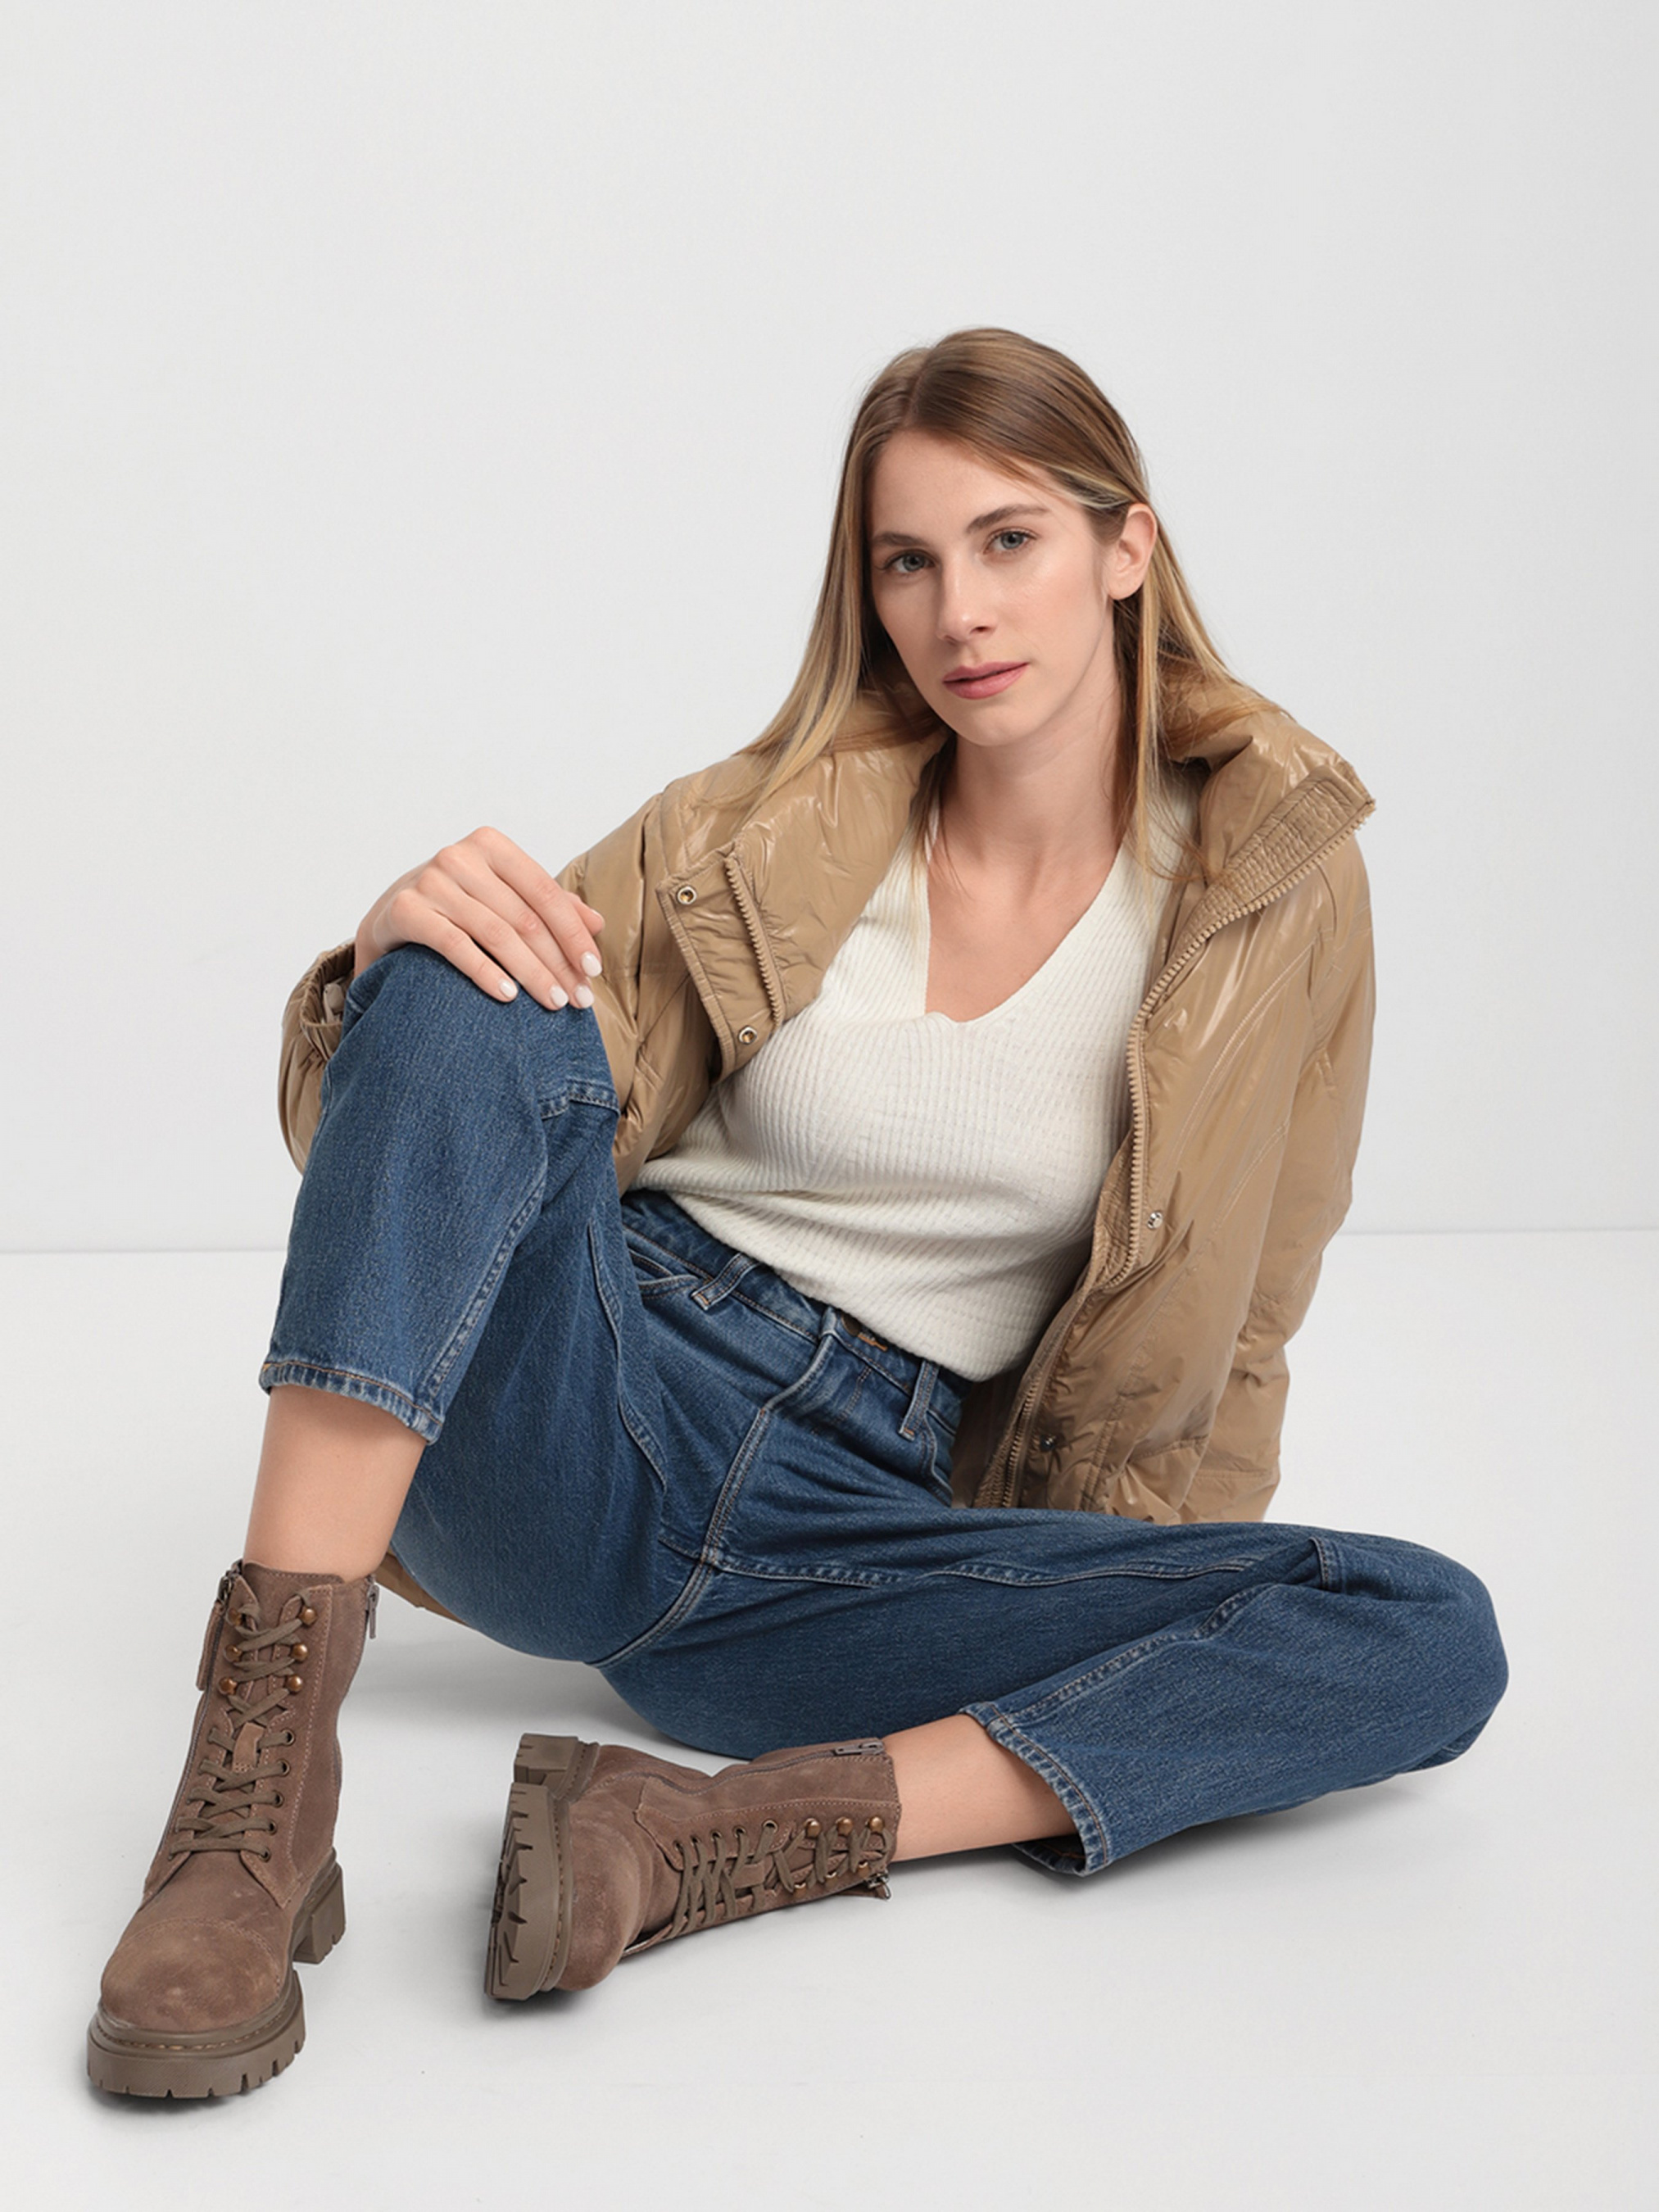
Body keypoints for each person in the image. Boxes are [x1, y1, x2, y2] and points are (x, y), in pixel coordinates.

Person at [88, 328, 1507, 2099]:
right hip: (593, 1392)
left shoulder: (1273, 887)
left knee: (1423, 1629)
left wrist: (1145, 1619)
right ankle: (248, 1820)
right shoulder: (751, 829)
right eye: (906, 562)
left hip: (853, 1539)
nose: (957, 611)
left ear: (1123, 547)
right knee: (470, 959)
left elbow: (1257, 1292)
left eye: (1007, 540)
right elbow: (427, 1128)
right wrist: (375, 979)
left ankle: (705, 1829)